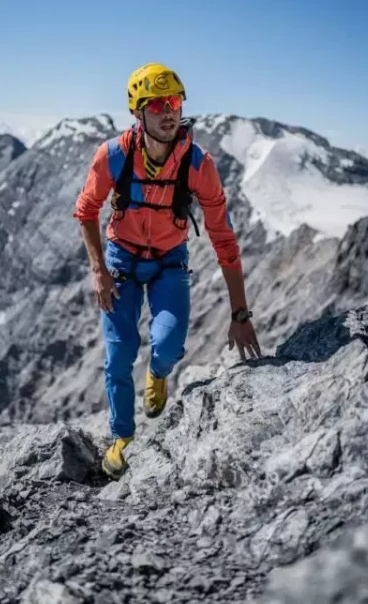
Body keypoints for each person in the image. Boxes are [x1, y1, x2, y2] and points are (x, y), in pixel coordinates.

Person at [74, 62, 261, 480]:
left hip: (169, 262)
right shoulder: (114, 156)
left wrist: (240, 314)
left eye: (173, 102)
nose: (168, 112)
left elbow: (223, 239)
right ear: (137, 113)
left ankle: (158, 374)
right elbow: (86, 211)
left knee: (170, 343)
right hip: (121, 262)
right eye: (156, 104)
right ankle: (122, 437)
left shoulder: (198, 164)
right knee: (119, 354)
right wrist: (98, 269)